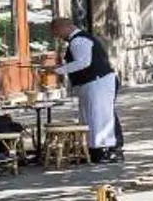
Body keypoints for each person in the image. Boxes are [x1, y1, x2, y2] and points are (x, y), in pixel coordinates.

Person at [49, 17, 122, 162]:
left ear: (64, 28)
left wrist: (59, 70)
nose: (57, 36)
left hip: (98, 82)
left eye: (56, 32)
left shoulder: (79, 40)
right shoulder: (77, 40)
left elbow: (83, 62)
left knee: (99, 116)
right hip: (93, 82)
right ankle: (92, 149)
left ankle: (105, 150)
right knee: (90, 116)